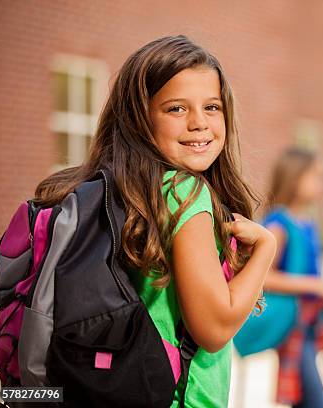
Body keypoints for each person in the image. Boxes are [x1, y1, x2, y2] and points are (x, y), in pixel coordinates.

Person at [33, 35, 276, 407]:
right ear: (139, 118)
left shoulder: (115, 189)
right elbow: (213, 329)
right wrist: (265, 248)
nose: (199, 123)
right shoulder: (184, 193)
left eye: (212, 107)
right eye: (176, 109)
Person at [263, 147, 323, 408]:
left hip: (308, 324)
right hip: (290, 324)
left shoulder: (307, 223)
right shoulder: (278, 225)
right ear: (295, 178)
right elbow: (262, 278)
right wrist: (316, 286)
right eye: (317, 176)